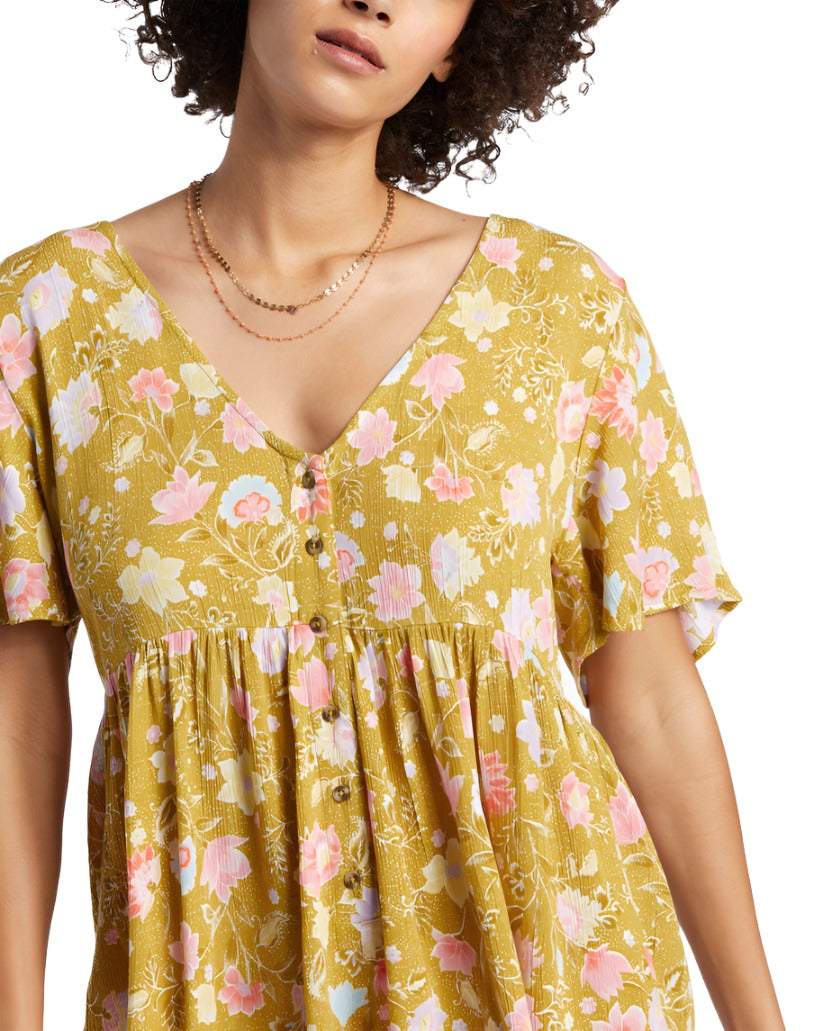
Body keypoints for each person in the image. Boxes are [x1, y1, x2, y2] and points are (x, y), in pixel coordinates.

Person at [0, 1, 785, 1028]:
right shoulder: (46, 319)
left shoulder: (558, 309)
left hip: (547, 982)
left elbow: (653, 701)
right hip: (209, 989)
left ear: (463, 43)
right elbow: (17, 719)